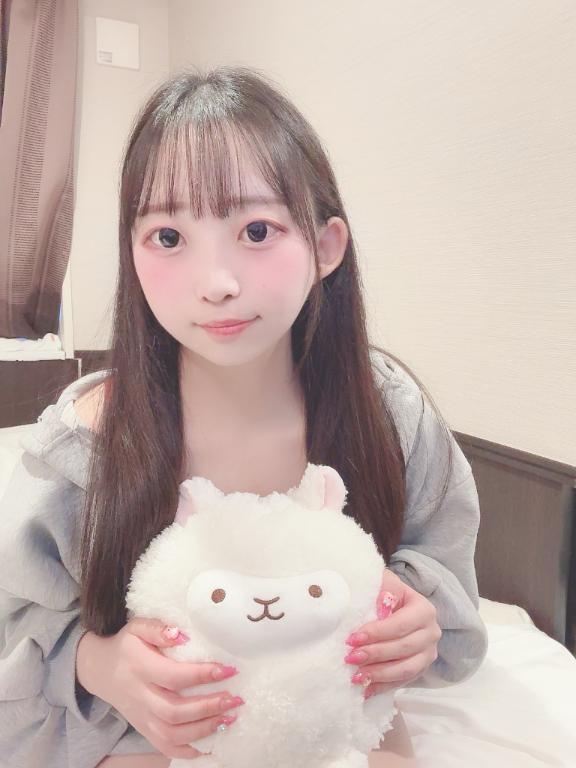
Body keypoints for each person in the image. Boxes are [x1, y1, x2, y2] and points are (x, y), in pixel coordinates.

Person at [0, 66, 488, 768]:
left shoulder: (387, 414)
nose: (217, 284)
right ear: (132, 252)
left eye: (256, 229)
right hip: (148, 725)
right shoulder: (85, 444)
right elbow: (16, 620)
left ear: (326, 247)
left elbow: (443, 571)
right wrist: (96, 663)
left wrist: (414, 618)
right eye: (169, 237)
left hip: (330, 718)